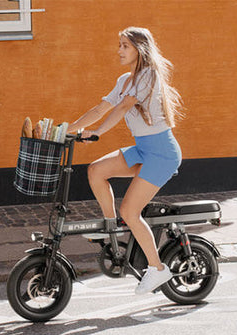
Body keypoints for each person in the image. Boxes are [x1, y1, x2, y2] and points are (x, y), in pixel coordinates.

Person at [67, 27, 183, 295]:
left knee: (130, 212)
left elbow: (123, 107)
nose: (119, 50)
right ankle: (110, 229)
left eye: (124, 46)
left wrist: (97, 132)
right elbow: (101, 108)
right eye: (119, 45)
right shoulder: (123, 80)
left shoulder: (148, 76)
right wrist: (68, 128)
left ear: (139, 50)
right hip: (143, 148)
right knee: (96, 170)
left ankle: (157, 269)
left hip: (162, 153)